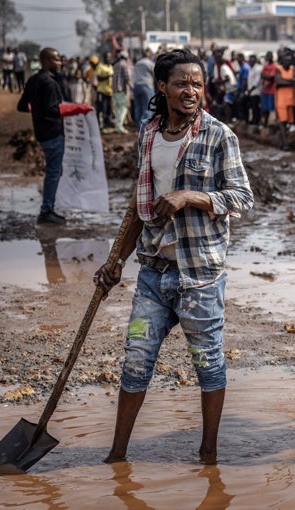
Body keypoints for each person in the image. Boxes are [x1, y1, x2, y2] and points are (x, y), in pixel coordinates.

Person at [93, 48, 254, 465]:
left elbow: (242, 197)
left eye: (197, 84)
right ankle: (116, 455)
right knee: (135, 361)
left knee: (208, 364)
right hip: (153, 272)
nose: (190, 91)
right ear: (161, 86)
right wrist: (115, 262)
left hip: (199, 275)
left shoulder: (220, 136)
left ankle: (209, 455)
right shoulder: (149, 134)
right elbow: (138, 206)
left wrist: (191, 196)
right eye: (181, 83)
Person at [17, 47, 92, 225]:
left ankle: (48, 207)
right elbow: (53, 109)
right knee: (53, 172)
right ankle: (47, 211)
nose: (61, 63)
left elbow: (21, 106)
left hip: (41, 132)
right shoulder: (49, 83)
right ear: (48, 61)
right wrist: (77, 109)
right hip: (53, 132)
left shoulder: (34, 80)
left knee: (54, 170)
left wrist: (37, 108)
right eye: (57, 60)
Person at [275, 52, 295, 150]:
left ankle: (285, 141)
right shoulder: (278, 69)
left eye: (289, 60)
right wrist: (291, 81)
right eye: (286, 60)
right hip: (281, 100)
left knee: (290, 123)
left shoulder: (293, 68)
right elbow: (278, 81)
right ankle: (284, 143)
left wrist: (285, 81)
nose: (288, 62)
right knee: (282, 122)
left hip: (291, 100)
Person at [133, 48, 156, 128]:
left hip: (136, 87)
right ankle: (144, 129)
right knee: (147, 108)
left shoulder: (137, 64)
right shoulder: (150, 63)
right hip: (147, 86)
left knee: (138, 109)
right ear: (148, 55)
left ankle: (139, 129)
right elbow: (155, 74)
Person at [111, 51, 133, 134]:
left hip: (115, 90)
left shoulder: (116, 65)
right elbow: (127, 77)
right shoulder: (124, 65)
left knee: (117, 109)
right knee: (123, 108)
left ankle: (117, 126)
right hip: (121, 90)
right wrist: (132, 87)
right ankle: (119, 126)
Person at [95, 52, 114, 130]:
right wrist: (108, 75)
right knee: (103, 108)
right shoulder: (100, 66)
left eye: (109, 57)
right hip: (102, 91)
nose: (108, 59)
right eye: (107, 57)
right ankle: (101, 126)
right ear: (104, 58)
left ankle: (107, 125)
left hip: (109, 91)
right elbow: (99, 78)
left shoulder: (110, 66)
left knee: (109, 109)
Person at [260, 51, 277, 127]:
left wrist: (265, 77)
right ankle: (265, 123)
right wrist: (267, 77)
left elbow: (272, 78)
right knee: (265, 108)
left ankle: (272, 123)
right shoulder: (265, 65)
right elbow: (261, 75)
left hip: (271, 90)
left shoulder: (274, 66)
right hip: (265, 90)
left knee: (272, 107)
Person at [245, 54, 262, 125]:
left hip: (256, 91)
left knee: (256, 107)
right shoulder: (250, 68)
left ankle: (256, 121)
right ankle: (253, 120)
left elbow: (257, 82)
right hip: (250, 91)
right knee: (252, 107)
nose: (251, 62)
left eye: (252, 60)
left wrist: (250, 90)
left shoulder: (258, 69)